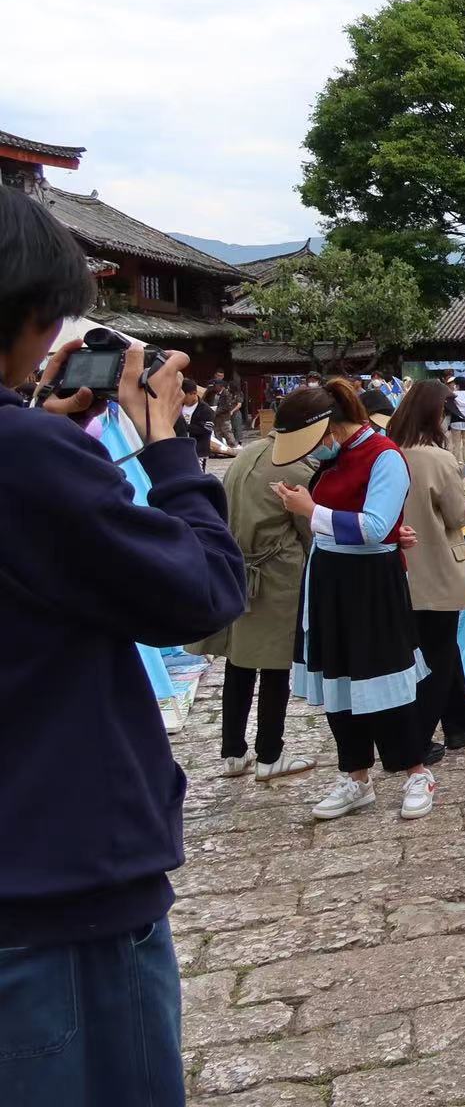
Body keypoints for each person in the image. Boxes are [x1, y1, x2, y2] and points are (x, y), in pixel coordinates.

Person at [0, 184, 247, 1105]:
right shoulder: (25, 459)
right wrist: (167, 446)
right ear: (29, 314)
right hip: (60, 884)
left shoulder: (27, 447)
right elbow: (203, 593)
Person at [268, 379, 437, 823]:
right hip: (329, 578)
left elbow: (373, 525)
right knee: (340, 679)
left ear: (329, 430)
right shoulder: (336, 460)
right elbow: (365, 522)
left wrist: (311, 512)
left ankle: (415, 772)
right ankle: (355, 775)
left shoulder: (385, 456)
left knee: (384, 678)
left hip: (371, 584)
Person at [193, 416, 320, 784]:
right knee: (277, 666)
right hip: (277, 574)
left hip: (239, 568)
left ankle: (233, 750)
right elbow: (309, 530)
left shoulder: (246, 454)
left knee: (240, 661)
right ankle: (270, 753)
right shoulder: (295, 467)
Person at [387, 380, 465, 761]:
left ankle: (462, 718)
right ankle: (416, 738)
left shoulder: (391, 451)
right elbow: (459, 514)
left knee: (439, 645)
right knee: (438, 651)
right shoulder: (437, 458)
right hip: (438, 562)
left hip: (404, 566)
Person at [178, 378, 216, 466]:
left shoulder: (206, 410)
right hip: (181, 449)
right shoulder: (178, 407)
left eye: (184, 395)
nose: (182, 398)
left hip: (198, 451)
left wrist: (186, 427)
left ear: (194, 393)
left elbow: (206, 430)